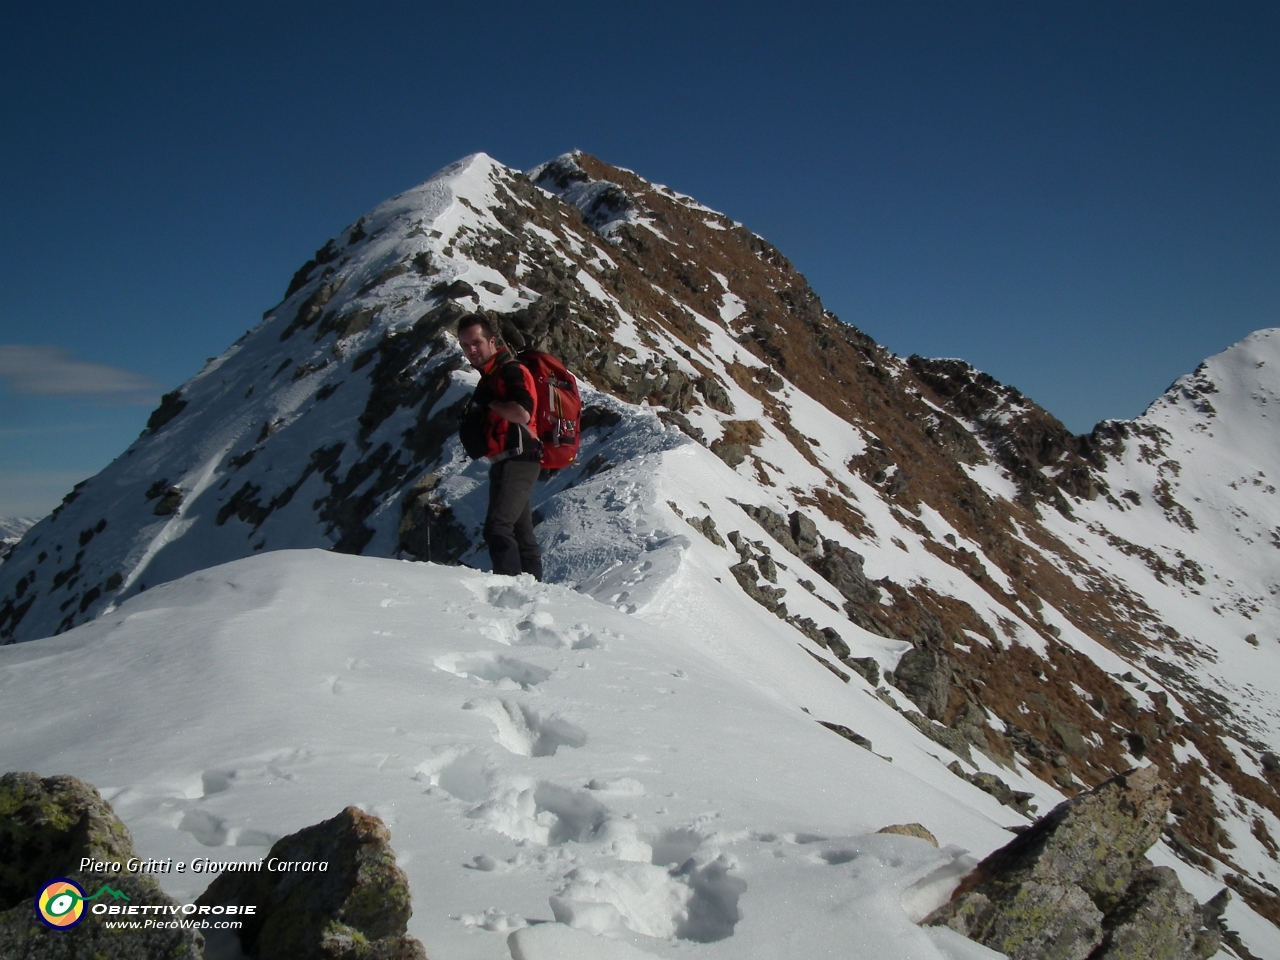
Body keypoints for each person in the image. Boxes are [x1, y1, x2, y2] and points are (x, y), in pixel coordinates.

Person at [457, 314, 544, 579]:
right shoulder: (491, 377)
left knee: (498, 527)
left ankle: (509, 588)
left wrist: (490, 402)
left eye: (477, 342)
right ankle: (533, 591)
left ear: (492, 340)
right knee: (520, 531)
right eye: (465, 345)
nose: (471, 350)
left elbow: (522, 414)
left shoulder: (510, 370)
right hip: (508, 460)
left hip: (518, 458)